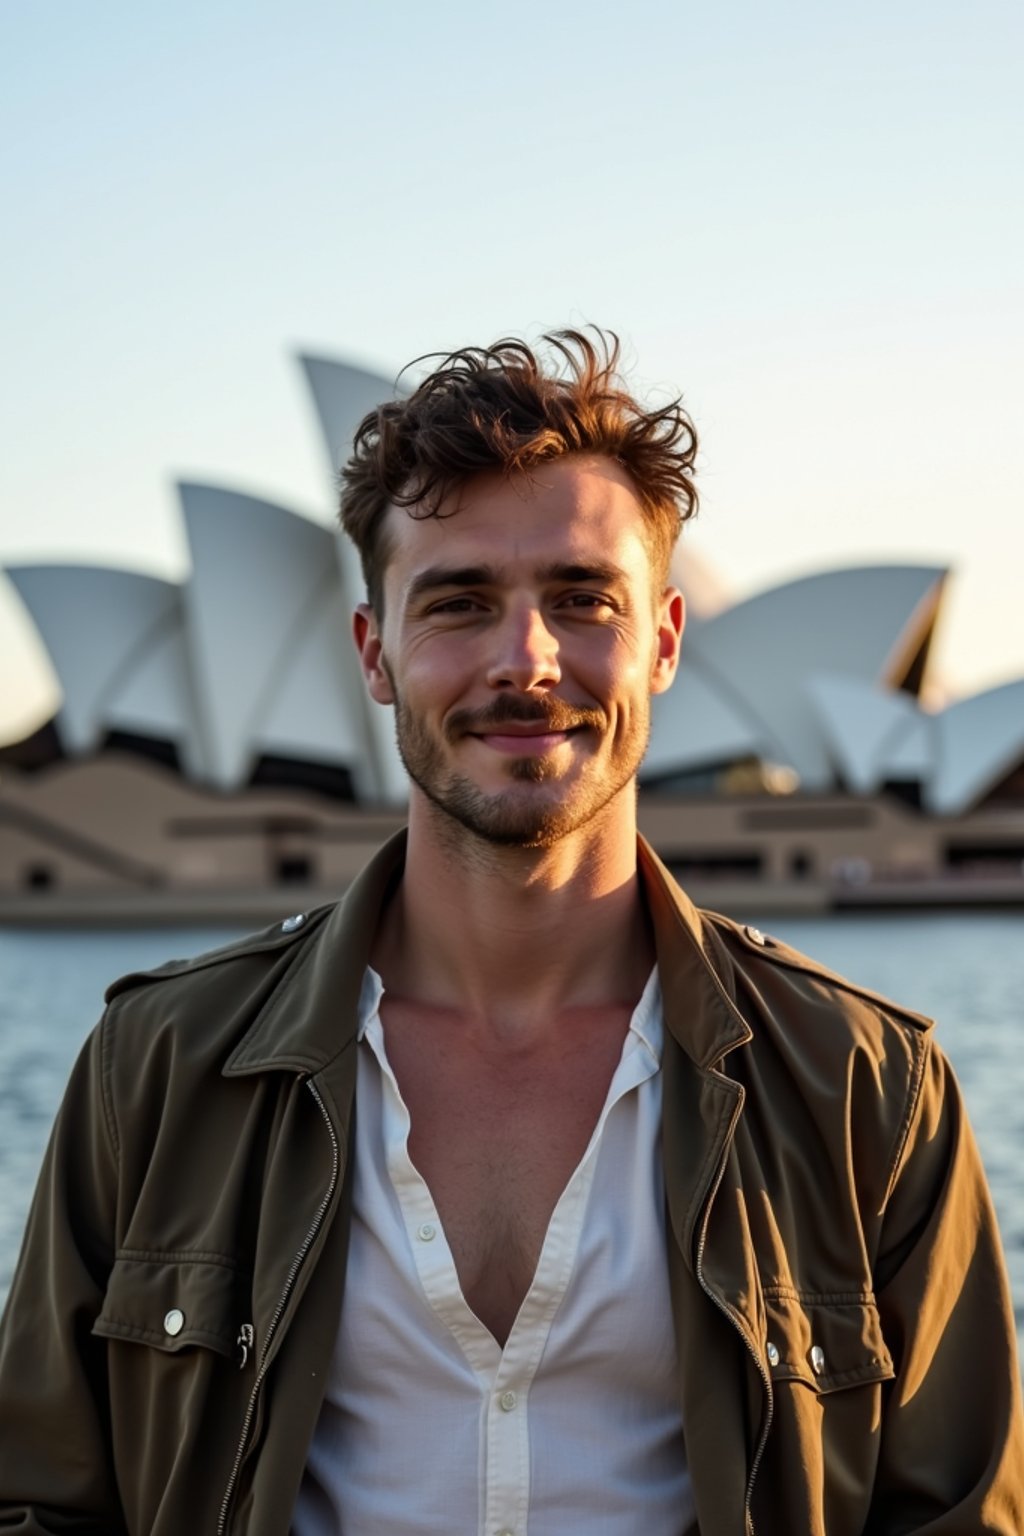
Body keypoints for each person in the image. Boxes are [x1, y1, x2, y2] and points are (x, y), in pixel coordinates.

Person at [0, 330, 1021, 1535]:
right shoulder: (160, 1068)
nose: (526, 662)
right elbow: (44, 1503)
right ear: (374, 653)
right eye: (460, 602)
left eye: (582, 598)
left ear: (664, 638)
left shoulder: (865, 1089)